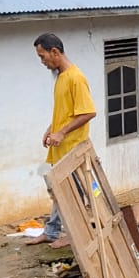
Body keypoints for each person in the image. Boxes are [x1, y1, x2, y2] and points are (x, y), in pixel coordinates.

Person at [29, 33, 96, 248]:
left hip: (73, 150)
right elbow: (66, 111)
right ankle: (51, 231)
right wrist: (51, 129)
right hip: (60, 148)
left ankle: (74, 234)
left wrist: (62, 132)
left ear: (55, 52)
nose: (42, 62)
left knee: (73, 195)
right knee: (58, 192)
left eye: (43, 56)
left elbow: (88, 112)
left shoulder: (76, 78)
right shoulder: (61, 77)